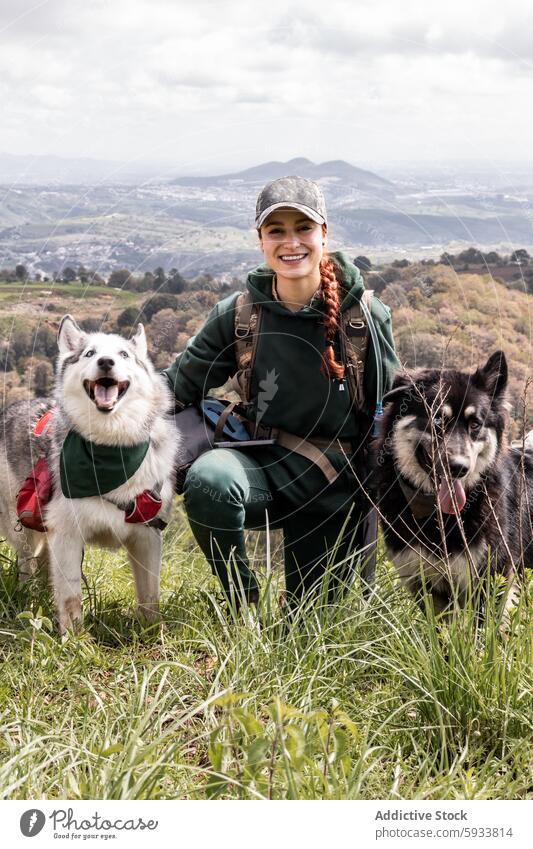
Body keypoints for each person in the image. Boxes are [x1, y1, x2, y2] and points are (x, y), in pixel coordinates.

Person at [163, 176, 399, 611]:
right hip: (260, 470)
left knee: (313, 634)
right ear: (261, 241)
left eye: (303, 228)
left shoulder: (364, 317)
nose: (291, 242)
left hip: (336, 492)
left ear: (324, 234)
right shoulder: (239, 315)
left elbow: (394, 414)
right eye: (276, 230)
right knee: (209, 480)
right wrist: (87, 413)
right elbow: (171, 389)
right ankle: (243, 601)